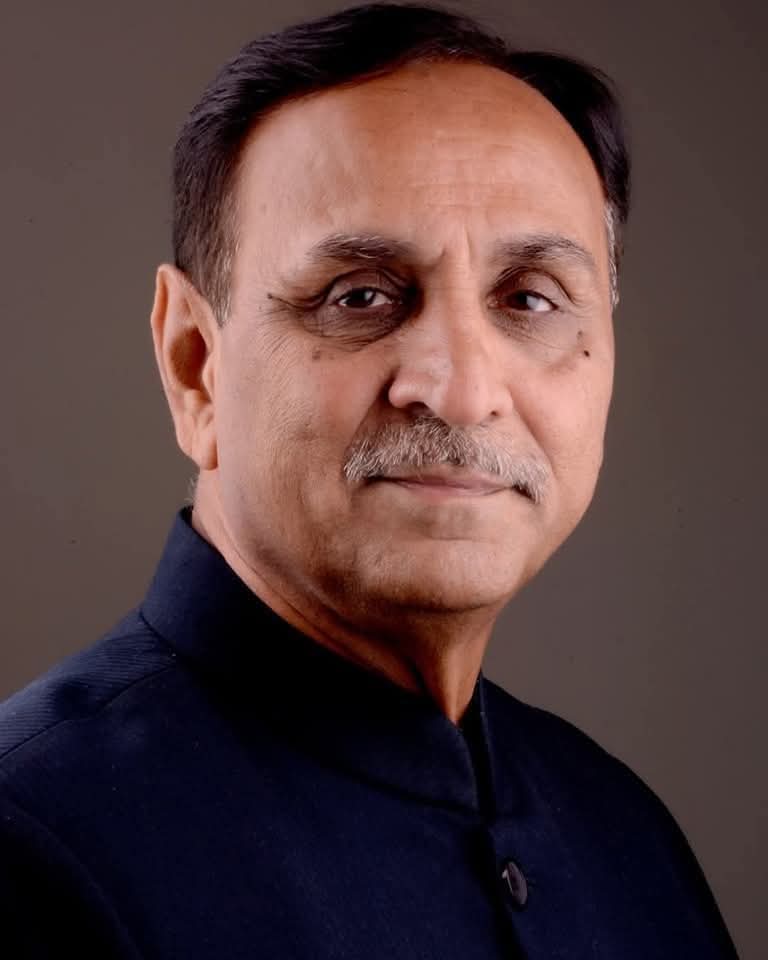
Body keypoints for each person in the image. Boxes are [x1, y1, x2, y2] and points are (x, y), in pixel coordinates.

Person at [0, 3, 740, 957]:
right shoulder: (32, 848)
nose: (462, 390)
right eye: (360, 296)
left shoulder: (626, 837)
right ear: (196, 365)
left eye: (529, 299)